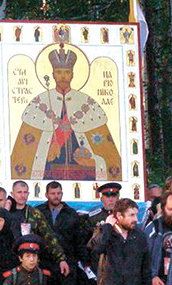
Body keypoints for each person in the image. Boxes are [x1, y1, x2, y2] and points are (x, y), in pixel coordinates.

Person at [9, 42, 121, 181]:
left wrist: (93, 161)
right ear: (53, 74)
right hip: (48, 174)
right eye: (59, 72)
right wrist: (45, 153)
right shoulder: (40, 103)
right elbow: (23, 153)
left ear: (72, 75)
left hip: (84, 173)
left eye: (67, 72)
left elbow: (108, 154)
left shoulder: (88, 104)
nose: (63, 76)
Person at [36, 181, 88, 285]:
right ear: (46, 195)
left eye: (58, 193)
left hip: (67, 262)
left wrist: (84, 262)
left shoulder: (71, 214)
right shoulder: (38, 212)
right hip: (45, 261)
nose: (56, 196)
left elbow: (78, 241)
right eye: (52, 193)